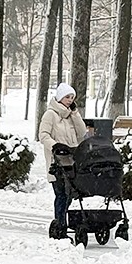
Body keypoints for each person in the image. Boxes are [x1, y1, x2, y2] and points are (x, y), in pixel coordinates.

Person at [39, 82, 89, 239]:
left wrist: (75, 114)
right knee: (61, 195)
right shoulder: (50, 115)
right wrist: (56, 146)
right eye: (67, 97)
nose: (70, 100)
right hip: (57, 162)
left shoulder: (71, 116)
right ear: (60, 97)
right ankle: (60, 227)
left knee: (70, 195)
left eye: (72, 97)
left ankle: (63, 222)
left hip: (72, 161)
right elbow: (43, 135)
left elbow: (82, 133)